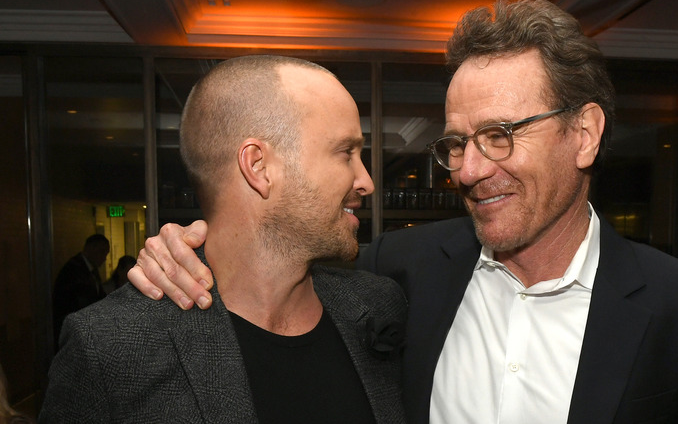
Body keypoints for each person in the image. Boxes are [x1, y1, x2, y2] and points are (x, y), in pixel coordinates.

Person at [127, 0, 678, 424]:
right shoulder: (397, 275)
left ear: (584, 134)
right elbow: (267, 270)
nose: (471, 170)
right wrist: (180, 252)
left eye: (501, 134)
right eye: (457, 143)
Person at [39, 55, 407, 423]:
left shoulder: (378, 306)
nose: (366, 182)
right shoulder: (110, 347)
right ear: (259, 167)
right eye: (346, 153)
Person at [51, 234, 110, 347]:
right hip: (74, 329)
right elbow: (82, 302)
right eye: (102, 252)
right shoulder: (73, 270)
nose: (104, 258)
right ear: (90, 249)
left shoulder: (92, 270)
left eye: (106, 253)